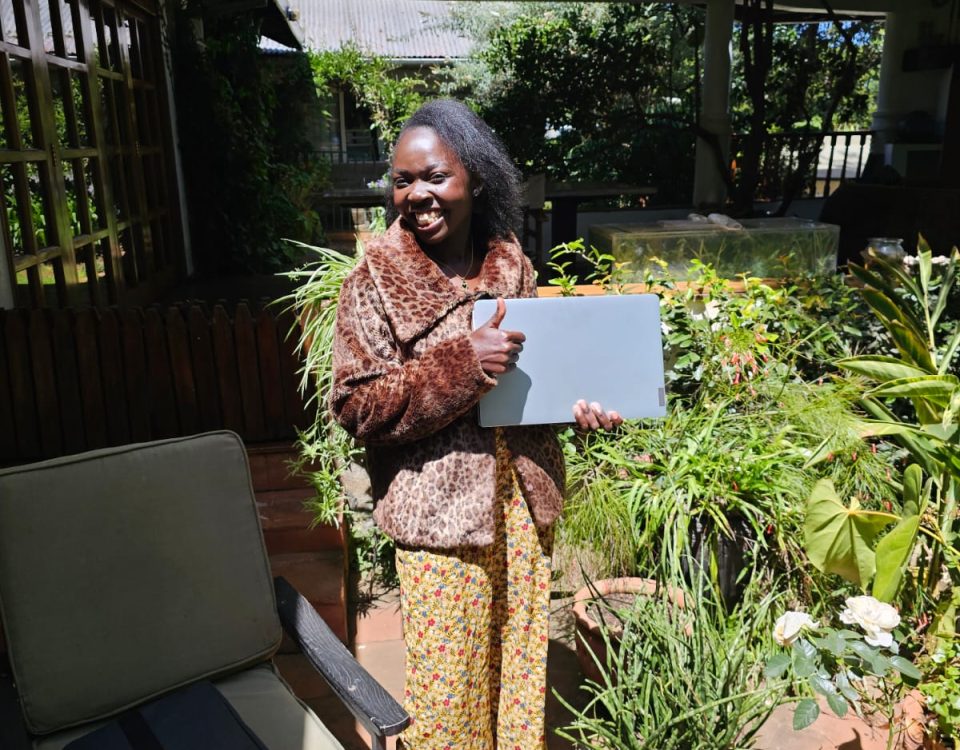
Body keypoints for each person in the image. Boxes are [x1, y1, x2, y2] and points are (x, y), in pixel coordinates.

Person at [330, 99, 621, 750]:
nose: (417, 194)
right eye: (403, 180)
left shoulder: (509, 260)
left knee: (518, 680)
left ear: (477, 180)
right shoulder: (376, 279)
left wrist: (577, 407)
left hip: (521, 505)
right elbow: (356, 404)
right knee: (449, 697)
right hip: (439, 519)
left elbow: (537, 371)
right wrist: (462, 364)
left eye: (435, 176)